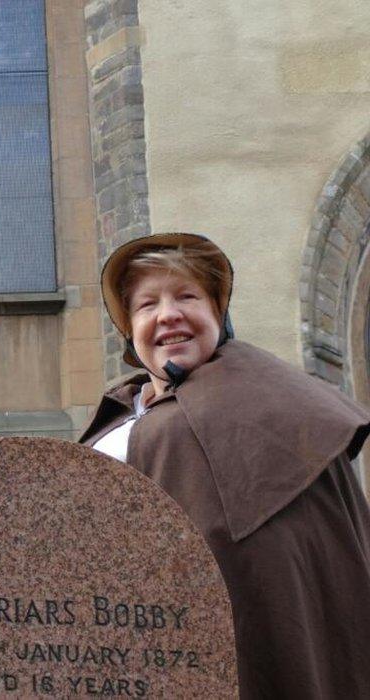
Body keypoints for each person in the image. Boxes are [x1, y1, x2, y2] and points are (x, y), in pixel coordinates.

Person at [80, 232, 370, 698]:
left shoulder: (278, 405)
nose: (168, 314)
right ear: (130, 331)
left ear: (218, 315)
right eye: (147, 304)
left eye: (187, 296)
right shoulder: (117, 418)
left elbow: (300, 569)